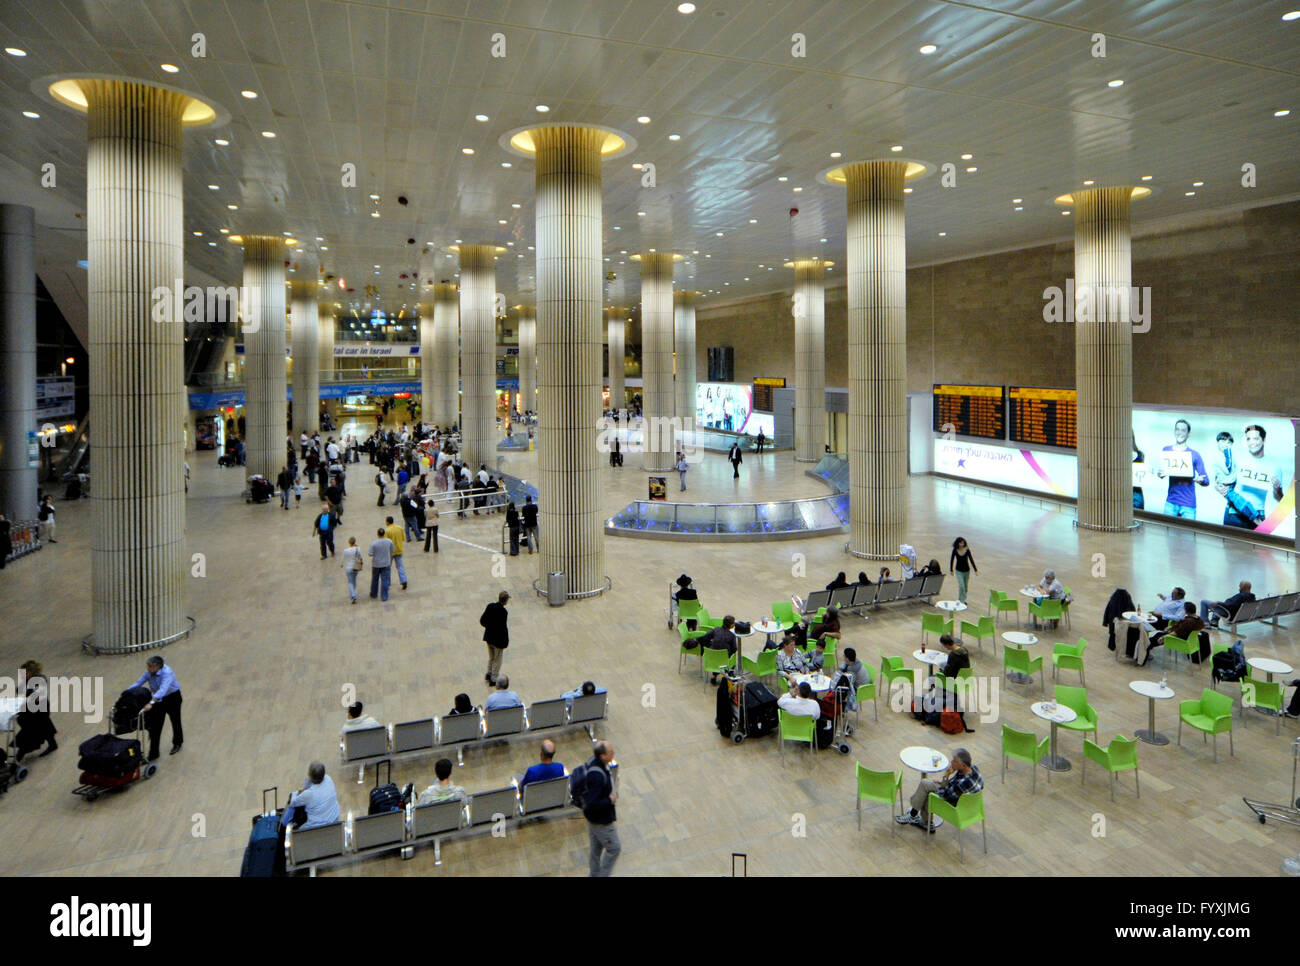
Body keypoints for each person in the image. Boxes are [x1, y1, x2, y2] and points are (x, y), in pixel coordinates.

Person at [897, 748, 983, 832]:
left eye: (954, 761)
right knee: (926, 784)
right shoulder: (974, 769)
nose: (951, 762)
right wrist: (942, 783)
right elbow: (980, 785)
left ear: (963, 765)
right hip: (971, 805)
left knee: (927, 791)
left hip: (955, 806)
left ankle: (922, 820)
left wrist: (946, 776)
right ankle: (916, 815)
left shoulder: (963, 784)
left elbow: (945, 794)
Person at [1218, 424, 1285, 529]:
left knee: (1256, 545)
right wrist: (1221, 487)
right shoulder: (1238, 458)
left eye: (1256, 438)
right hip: (1234, 513)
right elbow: (1223, 481)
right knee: (1229, 545)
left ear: (1264, 440)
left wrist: (1277, 489)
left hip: (1258, 514)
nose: (1252, 442)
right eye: (1248, 439)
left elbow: (1280, 498)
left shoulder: (1274, 466)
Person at [1154, 418, 1208, 519]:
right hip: (1171, 502)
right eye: (1177, 429)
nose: (1179, 433)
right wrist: (1159, 473)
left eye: (1183, 430)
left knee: (1189, 534)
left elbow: (1206, 480)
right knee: (1167, 533)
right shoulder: (1166, 450)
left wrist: (1200, 480)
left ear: (1188, 433)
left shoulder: (1195, 455)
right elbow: (1161, 473)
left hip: (1188, 504)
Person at [131, 656, 182, 761]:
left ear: (158, 667)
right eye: (148, 666)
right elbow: (138, 683)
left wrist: (151, 702)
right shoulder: (149, 673)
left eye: (150, 667)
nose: (148, 669)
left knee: (175, 721)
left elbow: (163, 690)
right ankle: (154, 753)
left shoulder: (167, 672)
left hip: (172, 698)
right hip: (158, 700)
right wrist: (126, 693)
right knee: (155, 727)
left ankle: (177, 742)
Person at [582, 741, 620, 877]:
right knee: (614, 847)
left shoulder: (595, 764)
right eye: (610, 752)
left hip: (593, 819)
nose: (613, 753)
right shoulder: (597, 776)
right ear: (603, 756)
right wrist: (610, 800)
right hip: (601, 820)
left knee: (595, 851)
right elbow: (593, 803)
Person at [13, 659, 57, 760]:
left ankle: (20, 755)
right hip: (33, 707)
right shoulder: (28, 680)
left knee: (32, 730)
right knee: (45, 725)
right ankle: (53, 744)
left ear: (31, 672)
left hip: (40, 708)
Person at [281, 762, 339, 830]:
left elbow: (293, 802)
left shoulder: (309, 794)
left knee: (295, 832)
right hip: (335, 820)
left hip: (318, 826)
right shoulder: (329, 779)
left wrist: (296, 793)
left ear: (310, 776)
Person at [480, 591, 510, 684]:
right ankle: (494, 678)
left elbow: (482, 620)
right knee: (497, 659)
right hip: (498, 641)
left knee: (491, 657)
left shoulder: (490, 606)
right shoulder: (503, 612)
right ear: (505, 601)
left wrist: (489, 627)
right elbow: (503, 628)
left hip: (489, 637)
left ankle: (488, 673)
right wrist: (505, 641)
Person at [1102, 587, 1140, 657]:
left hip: (1112, 626)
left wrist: (1105, 622)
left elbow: (1106, 613)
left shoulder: (1112, 602)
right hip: (1124, 628)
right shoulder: (1128, 603)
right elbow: (1133, 613)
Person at [700, 615, 738, 684]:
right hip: (724, 660)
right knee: (732, 659)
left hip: (712, 658)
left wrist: (709, 646)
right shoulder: (732, 636)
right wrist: (728, 654)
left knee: (717, 656)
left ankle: (714, 676)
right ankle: (728, 675)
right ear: (731, 625)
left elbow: (705, 638)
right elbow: (734, 649)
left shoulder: (716, 630)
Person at [368, 527, 394, 601]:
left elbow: (370, 553)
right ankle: (384, 596)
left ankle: (374, 593)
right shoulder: (389, 541)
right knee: (385, 580)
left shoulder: (374, 543)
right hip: (386, 563)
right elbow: (392, 550)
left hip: (376, 564)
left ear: (377, 534)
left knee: (375, 579)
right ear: (384, 534)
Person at [949, 537, 978, 604]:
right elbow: (952, 560)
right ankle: (962, 600)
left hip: (966, 571)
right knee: (961, 585)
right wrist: (951, 570)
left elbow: (971, 559)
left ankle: (961, 599)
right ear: (958, 543)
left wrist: (975, 569)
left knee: (965, 586)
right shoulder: (955, 550)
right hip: (958, 571)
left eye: (963, 543)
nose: (962, 544)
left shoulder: (967, 550)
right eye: (960, 543)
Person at [383, 516, 407, 591]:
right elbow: (403, 538)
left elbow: (386, 542)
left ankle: (388, 582)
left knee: (388, 567)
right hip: (399, 549)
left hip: (390, 551)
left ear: (387, 522)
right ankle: (403, 580)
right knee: (400, 566)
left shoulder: (387, 531)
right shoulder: (399, 528)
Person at [340, 535, 363, 604]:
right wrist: (361, 566)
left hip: (349, 567)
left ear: (349, 543)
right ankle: (352, 593)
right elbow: (361, 557)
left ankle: (353, 595)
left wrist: (341, 564)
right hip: (355, 567)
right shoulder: (358, 549)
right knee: (354, 581)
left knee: (350, 582)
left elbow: (343, 558)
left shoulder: (346, 550)